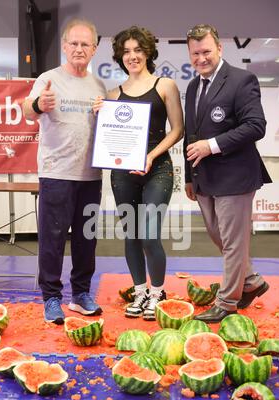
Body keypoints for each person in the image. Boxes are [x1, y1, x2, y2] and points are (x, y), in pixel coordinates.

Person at [183, 24, 272, 323]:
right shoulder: (194, 86)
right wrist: (188, 177)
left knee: (233, 241)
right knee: (218, 235)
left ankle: (227, 300)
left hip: (235, 176)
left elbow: (256, 126)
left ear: (219, 48)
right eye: (195, 53)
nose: (201, 58)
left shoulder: (241, 79)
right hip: (204, 178)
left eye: (206, 51)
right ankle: (251, 280)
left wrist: (212, 145)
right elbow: (190, 135)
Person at [94, 26, 184, 320]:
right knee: (131, 234)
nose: (132, 56)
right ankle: (139, 291)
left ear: (148, 52)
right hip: (122, 173)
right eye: (126, 51)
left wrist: (151, 155)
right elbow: (109, 137)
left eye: (137, 50)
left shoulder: (165, 85)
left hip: (157, 168)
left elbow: (178, 130)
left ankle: (157, 292)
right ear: (120, 56)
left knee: (148, 234)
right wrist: (101, 113)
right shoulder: (112, 94)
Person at [23, 18, 106, 324]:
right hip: (56, 173)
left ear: (94, 49)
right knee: (52, 239)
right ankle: (52, 297)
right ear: (64, 45)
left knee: (87, 240)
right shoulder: (48, 78)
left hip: (90, 175)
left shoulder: (99, 86)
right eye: (74, 43)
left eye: (85, 44)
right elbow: (24, 108)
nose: (79, 49)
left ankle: (81, 294)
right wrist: (37, 104)